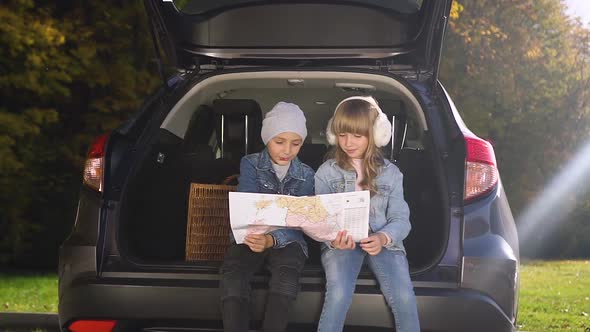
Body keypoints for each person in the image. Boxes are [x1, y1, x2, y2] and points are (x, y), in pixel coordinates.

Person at [315, 96, 420, 332]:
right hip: (341, 243)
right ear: (334, 135)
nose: (348, 142)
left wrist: (383, 238)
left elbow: (401, 220)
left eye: (357, 136)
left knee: (404, 298)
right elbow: (318, 219)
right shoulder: (325, 173)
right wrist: (332, 238)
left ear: (375, 135)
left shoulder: (391, 174)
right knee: (338, 293)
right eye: (342, 135)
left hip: (383, 243)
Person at [220, 102, 315, 332]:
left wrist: (273, 238)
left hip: (289, 238)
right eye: (279, 142)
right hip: (252, 232)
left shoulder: (307, 174)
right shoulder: (251, 164)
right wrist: (262, 233)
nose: (287, 150)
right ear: (266, 139)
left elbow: (301, 220)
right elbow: (248, 203)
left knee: (286, 276)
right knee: (234, 273)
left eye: (296, 143)